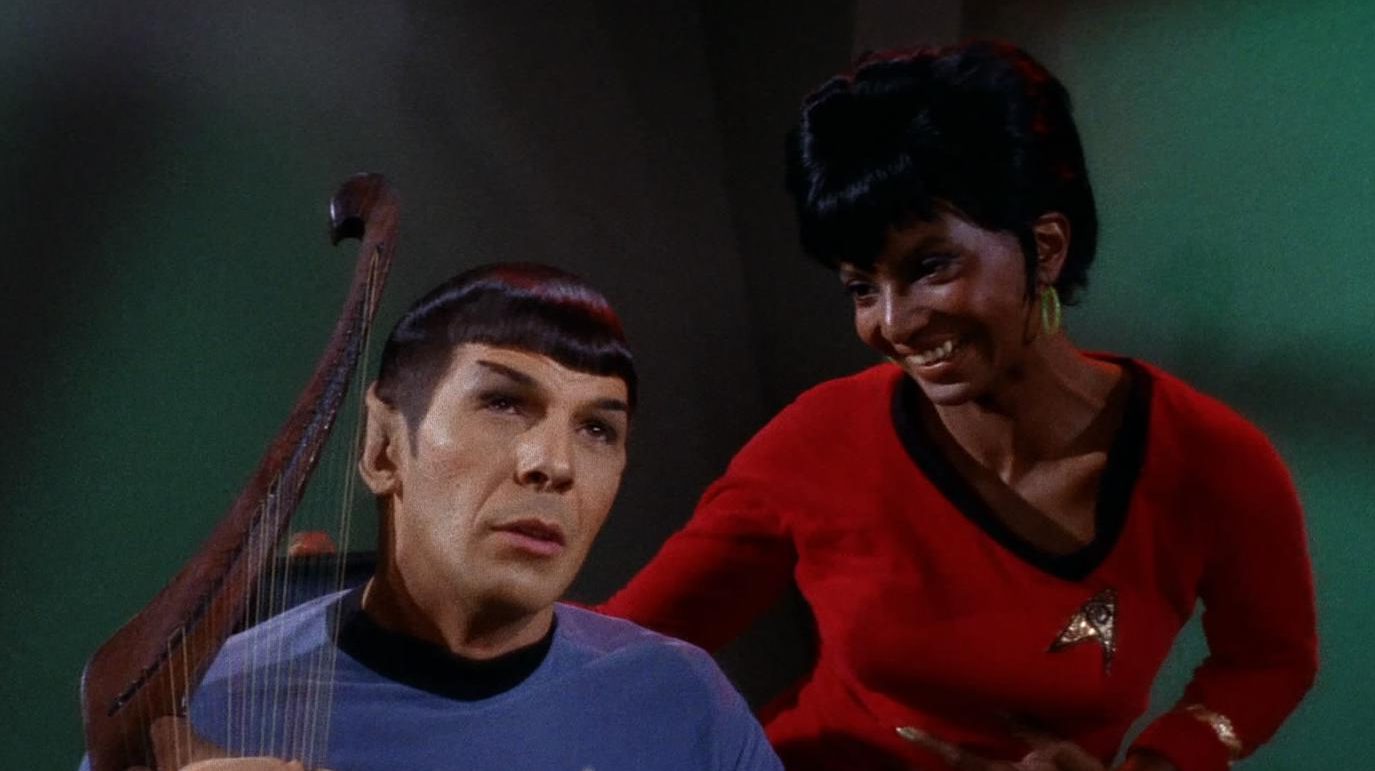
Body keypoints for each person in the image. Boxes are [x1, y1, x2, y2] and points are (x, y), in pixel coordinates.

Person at [599, 41, 1317, 771]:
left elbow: (1269, 659)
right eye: (861, 287)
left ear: (1045, 247)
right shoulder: (817, 442)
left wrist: (1160, 764)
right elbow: (623, 647)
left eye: (930, 266)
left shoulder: (1211, 460)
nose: (892, 323)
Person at [94, 263, 782, 771]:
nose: (555, 463)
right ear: (383, 446)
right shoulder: (200, 711)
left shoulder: (683, 701)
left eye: (598, 429)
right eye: (503, 403)